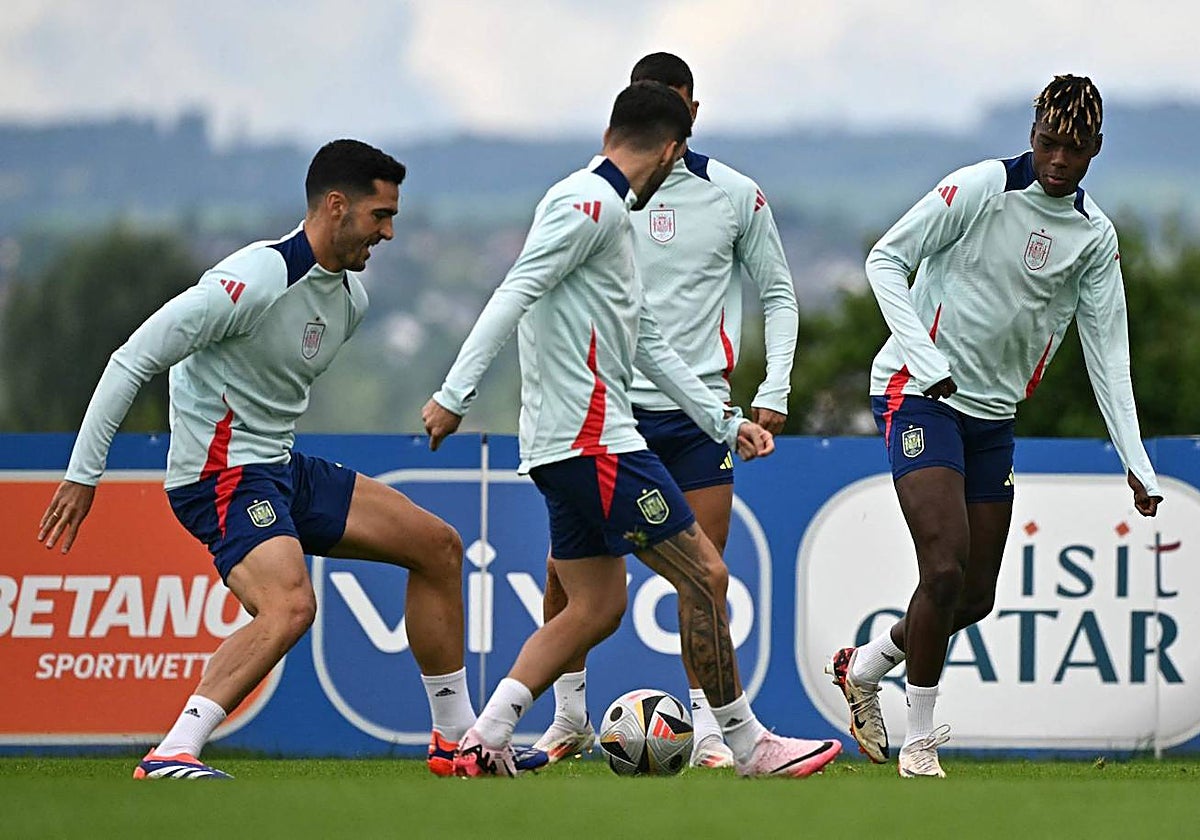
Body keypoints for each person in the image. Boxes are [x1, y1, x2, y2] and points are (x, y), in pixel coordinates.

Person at [422, 81, 840, 778]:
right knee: (706, 574)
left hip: (561, 447)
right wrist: (453, 394)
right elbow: (516, 290)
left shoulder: (600, 207)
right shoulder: (590, 205)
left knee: (597, 606)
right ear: (672, 150)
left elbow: (644, 337)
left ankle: (482, 740)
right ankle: (747, 745)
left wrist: (722, 421)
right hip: (596, 443)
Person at [37, 139, 475, 780]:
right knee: (290, 606)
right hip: (217, 476)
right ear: (336, 206)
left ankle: (456, 742)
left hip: (278, 467)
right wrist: (83, 475)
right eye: (380, 215)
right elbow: (132, 359)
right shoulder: (253, 280)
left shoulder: (350, 302)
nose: (388, 233)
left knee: (439, 547)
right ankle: (173, 751)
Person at [825, 75, 1163, 778]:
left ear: (1097, 148)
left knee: (974, 596)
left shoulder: (1094, 238)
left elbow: (1108, 353)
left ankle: (865, 667)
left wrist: (1136, 460)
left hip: (993, 417)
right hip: (917, 394)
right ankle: (921, 744)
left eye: (1075, 149)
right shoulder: (980, 187)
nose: (1059, 160)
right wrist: (924, 358)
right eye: (1049, 142)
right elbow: (885, 259)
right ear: (1032, 132)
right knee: (943, 568)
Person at [524, 52, 799, 771]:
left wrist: (775, 388)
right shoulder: (592, 197)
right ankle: (568, 717)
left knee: (702, 574)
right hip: (609, 409)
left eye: (676, 108)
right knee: (564, 572)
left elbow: (778, 292)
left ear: (692, 114)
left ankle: (709, 730)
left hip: (699, 416)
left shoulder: (735, 194)